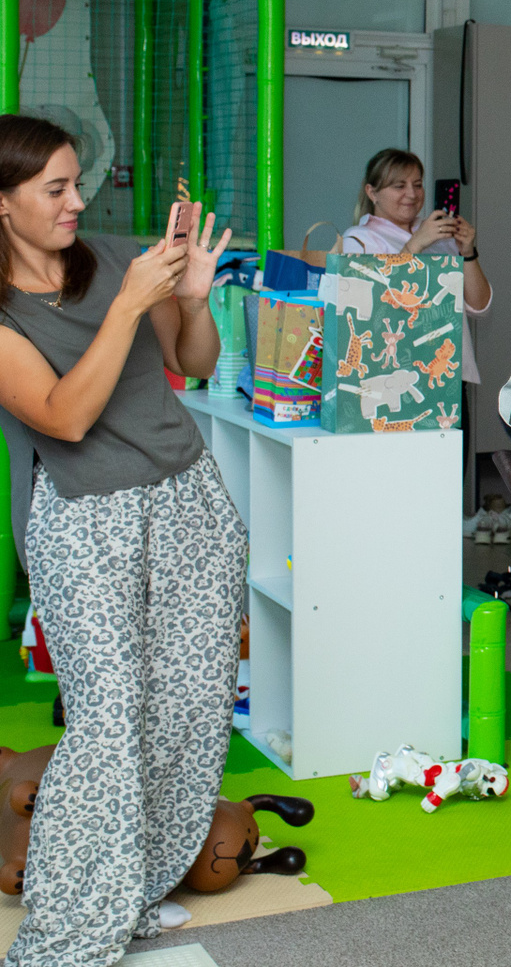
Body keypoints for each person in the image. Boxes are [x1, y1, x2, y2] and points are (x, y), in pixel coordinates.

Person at [0, 115, 245, 963]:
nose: (77, 201)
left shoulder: (113, 260)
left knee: (188, 710)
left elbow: (196, 361)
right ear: (3, 204)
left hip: (187, 499)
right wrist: (132, 303)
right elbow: (63, 416)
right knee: (107, 724)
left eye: (78, 183)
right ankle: (67, 931)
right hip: (83, 520)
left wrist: (191, 300)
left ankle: (133, 891)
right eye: (55, 189)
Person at [339, 148, 492, 385]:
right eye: (399, 186)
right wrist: (416, 243)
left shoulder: (437, 233)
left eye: (418, 185)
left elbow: (480, 307)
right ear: (372, 192)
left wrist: (468, 253)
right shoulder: (359, 239)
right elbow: (376, 308)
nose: (411, 194)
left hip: (447, 372)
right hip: (391, 373)